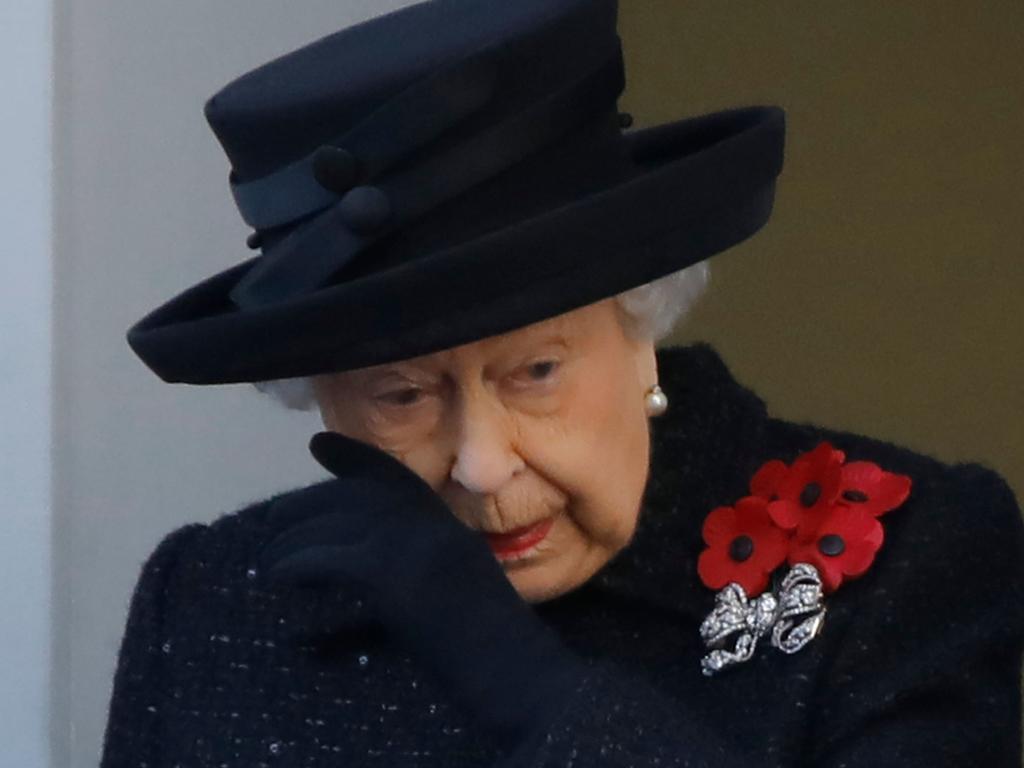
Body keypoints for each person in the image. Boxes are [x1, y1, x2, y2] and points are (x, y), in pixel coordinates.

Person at [100, 0, 1024, 765]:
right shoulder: (218, 598)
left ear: (642, 326)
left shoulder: (912, 560)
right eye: (401, 395)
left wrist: (522, 683)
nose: (482, 465)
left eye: (535, 371)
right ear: (319, 398)